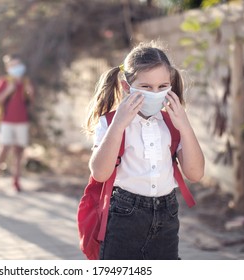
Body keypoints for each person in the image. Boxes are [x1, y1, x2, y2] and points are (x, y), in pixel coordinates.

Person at [84, 41, 205, 260]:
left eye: (162, 87)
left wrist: (185, 126)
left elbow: (195, 174)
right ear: (126, 87)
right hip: (124, 216)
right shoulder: (110, 122)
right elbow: (100, 173)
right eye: (146, 87)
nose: (155, 93)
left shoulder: (172, 123)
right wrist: (118, 124)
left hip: (167, 215)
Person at [0, 54, 35, 192]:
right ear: (8, 67)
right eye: (13, 65)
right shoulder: (4, 81)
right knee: (3, 149)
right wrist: (8, 91)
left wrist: (30, 94)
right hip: (7, 121)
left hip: (22, 121)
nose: (16, 68)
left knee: (18, 151)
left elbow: (30, 102)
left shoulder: (26, 82)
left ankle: (16, 180)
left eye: (18, 64)